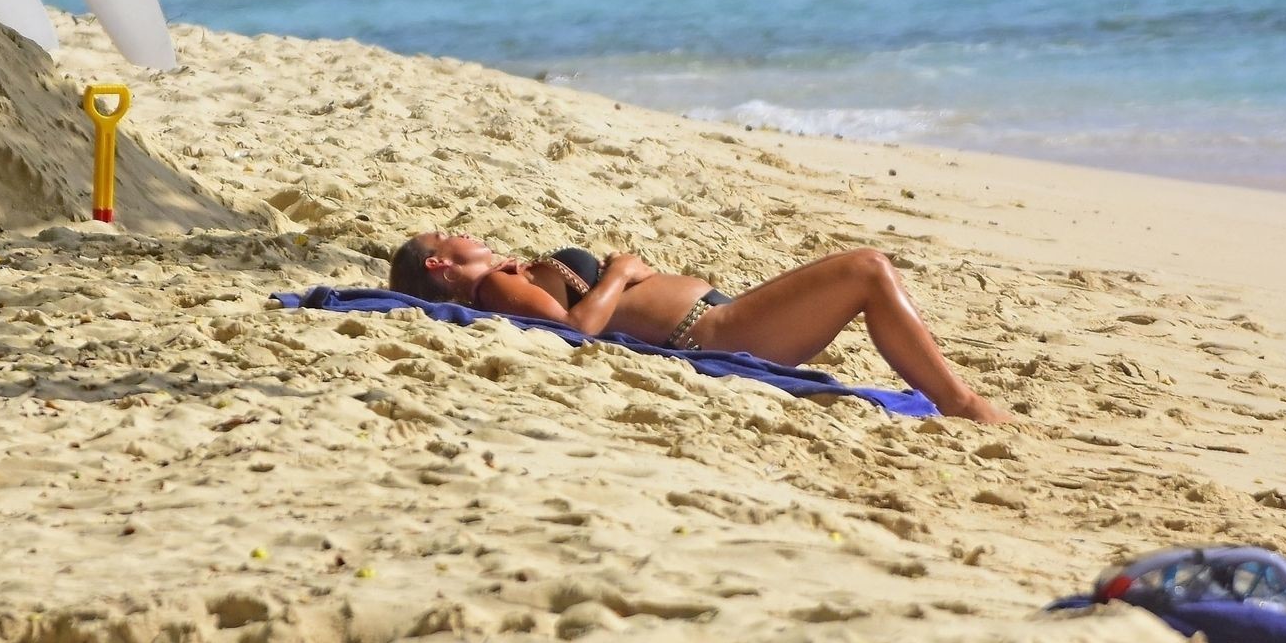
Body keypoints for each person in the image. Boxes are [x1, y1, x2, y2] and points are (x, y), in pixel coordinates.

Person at [388, 234, 1008, 423]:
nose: (462, 232)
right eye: (447, 236)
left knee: (864, 273)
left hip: (721, 319)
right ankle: (963, 404)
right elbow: (576, 330)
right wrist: (620, 273)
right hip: (714, 332)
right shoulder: (493, 287)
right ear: (440, 265)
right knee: (867, 269)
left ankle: (956, 397)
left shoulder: (507, 278)